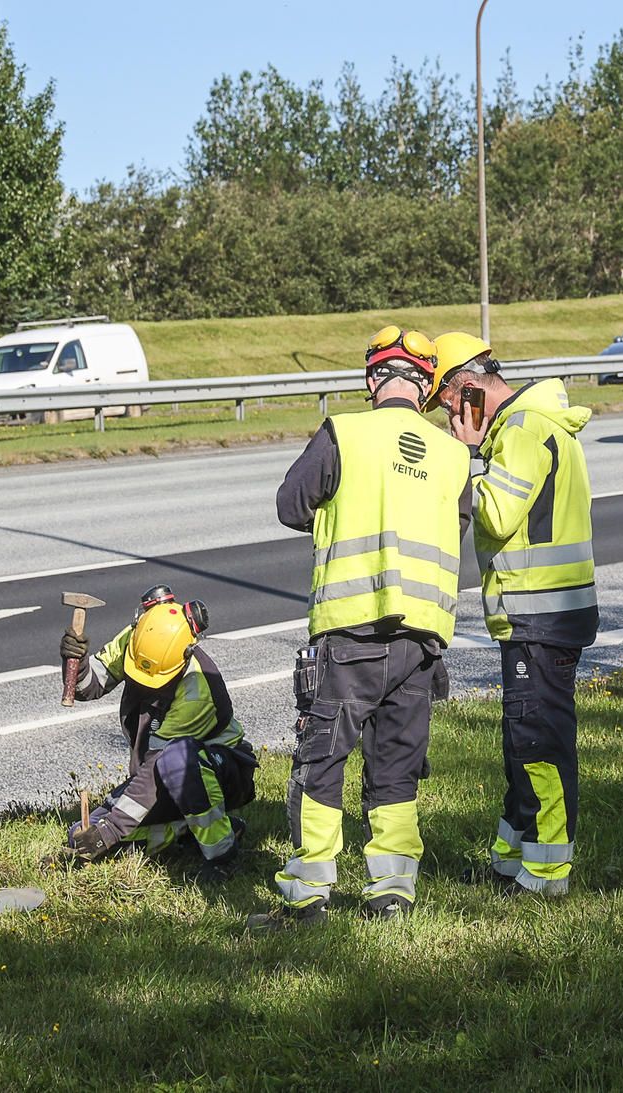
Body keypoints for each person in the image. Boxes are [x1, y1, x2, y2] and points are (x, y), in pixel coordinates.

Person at [247, 326, 472, 931]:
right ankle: (392, 894)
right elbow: (459, 526)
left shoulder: (343, 433)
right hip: (423, 640)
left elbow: (290, 505)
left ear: (373, 379)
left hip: (352, 633)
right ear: (426, 386)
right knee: (396, 767)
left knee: (322, 762)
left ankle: (308, 898)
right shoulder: (453, 453)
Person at [427, 332, 598, 897]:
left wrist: (463, 456)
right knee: (523, 739)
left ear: (469, 388)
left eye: (449, 404)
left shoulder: (522, 431)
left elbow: (497, 515)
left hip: (538, 615)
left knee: (538, 744)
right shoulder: (528, 426)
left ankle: (546, 875)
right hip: (541, 612)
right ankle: (509, 861)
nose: (449, 417)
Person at [47, 584, 257, 878]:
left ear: (183, 657)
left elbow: (157, 768)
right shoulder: (139, 639)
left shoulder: (197, 690)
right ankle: (185, 831)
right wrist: (77, 661)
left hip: (218, 773)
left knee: (173, 762)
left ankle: (221, 851)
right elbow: (88, 687)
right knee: (80, 833)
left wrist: (110, 832)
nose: (144, 685)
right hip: (159, 772)